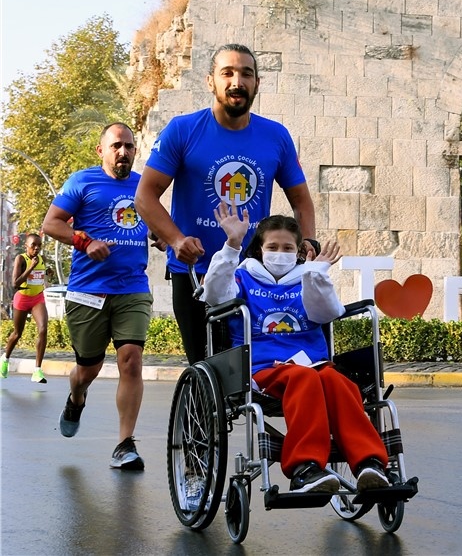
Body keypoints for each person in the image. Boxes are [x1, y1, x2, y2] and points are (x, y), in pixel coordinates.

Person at [135, 43, 317, 366]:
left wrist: (308, 244)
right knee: (205, 367)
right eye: (227, 73)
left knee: (252, 370)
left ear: (257, 83)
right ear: (210, 81)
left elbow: (301, 200)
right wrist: (176, 240)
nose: (237, 82)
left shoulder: (276, 136)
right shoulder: (183, 130)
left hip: (253, 274)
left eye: (246, 74)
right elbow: (145, 196)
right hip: (194, 272)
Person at [201, 203, 390, 494]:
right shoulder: (243, 276)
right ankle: (305, 468)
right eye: (273, 247)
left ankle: (369, 462)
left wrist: (316, 275)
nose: (280, 253)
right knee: (305, 378)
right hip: (263, 368)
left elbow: (328, 313)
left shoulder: (307, 276)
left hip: (313, 364)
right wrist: (232, 245)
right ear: (260, 249)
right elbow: (215, 296)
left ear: (298, 251)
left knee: (338, 382)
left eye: (288, 248)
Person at [41, 122, 160, 470]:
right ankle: (76, 398)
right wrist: (85, 241)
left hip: (132, 288)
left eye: (129, 146)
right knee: (87, 369)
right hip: (88, 291)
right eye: (116, 146)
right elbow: (51, 223)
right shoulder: (82, 181)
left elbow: (154, 224)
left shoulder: (144, 187)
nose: (123, 152)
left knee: (131, 360)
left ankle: (124, 444)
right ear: (101, 150)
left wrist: (163, 237)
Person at [1, 233, 49, 382]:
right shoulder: (21, 259)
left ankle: (37, 371)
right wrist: (31, 267)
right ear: (26, 246)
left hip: (38, 298)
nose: (36, 248)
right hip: (22, 298)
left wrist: (48, 272)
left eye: (39, 245)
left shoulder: (42, 259)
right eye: (33, 245)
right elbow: (15, 283)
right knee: (17, 333)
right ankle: (5, 359)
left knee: (43, 329)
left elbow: (40, 274)